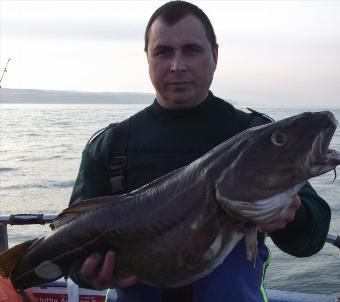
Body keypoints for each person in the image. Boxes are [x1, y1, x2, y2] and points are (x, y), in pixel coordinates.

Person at [69, 1, 331, 301]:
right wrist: (90, 270)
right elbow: (74, 254)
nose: (177, 65)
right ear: (148, 57)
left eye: (191, 50)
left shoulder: (258, 137)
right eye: (163, 51)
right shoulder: (110, 146)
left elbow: (311, 239)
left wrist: (292, 217)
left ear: (214, 55)